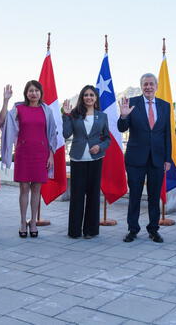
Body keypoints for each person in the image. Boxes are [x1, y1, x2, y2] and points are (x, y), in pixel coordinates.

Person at [117, 73, 172, 243]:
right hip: (135, 160)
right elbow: (121, 128)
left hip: (157, 159)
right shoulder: (132, 103)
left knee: (154, 197)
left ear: (156, 86)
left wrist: (168, 158)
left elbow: (167, 134)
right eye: (145, 84)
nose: (148, 87)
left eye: (151, 84)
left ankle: (153, 230)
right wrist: (124, 116)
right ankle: (132, 229)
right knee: (135, 195)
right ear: (141, 86)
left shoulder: (164, 105)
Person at [0, 80, 57, 238]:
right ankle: (22, 221)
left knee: (37, 189)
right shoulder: (18, 108)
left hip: (41, 153)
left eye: (36, 90)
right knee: (24, 188)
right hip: (23, 152)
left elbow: (52, 134)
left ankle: (33, 222)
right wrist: (6, 101)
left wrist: (51, 154)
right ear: (26, 93)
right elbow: (3, 122)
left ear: (40, 93)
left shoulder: (47, 110)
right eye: (31, 90)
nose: (34, 93)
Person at [62, 85, 110, 239]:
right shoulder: (74, 115)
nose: (89, 97)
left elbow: (107, 138)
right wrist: (66, 115)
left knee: (93, 195)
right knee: (77, 195)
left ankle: (90, 230)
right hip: (78, 159)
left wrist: (100, 146)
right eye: (86, 95)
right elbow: (66, 133)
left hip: (96, 159)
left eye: (91, 95)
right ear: (82, 97)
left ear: (96, 98)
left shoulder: (102, 116)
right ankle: (74, 231)